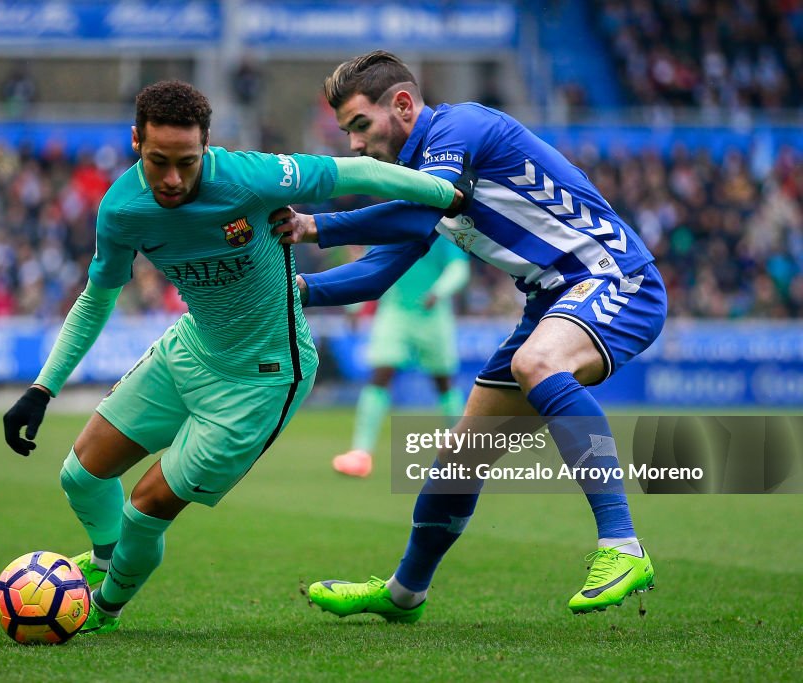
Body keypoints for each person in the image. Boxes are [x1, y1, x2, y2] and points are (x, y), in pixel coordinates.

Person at [2, 80, 472, 634]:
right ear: (135, 143)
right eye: (158, 162)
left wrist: (449, 196)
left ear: (208, 146)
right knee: (79, 476)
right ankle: (106, 563)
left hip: (263, 377)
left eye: (187, 162)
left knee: (144, 508)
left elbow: (362, 173)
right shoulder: (121, 210)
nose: (173, 178)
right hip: (193, 350)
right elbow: (96, 298)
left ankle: (101, 608)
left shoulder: (252, 176)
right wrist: (42, 388)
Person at [272, 51, 666, 618]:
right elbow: (376, 272)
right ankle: (406, 592)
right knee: (461, 455)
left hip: (614, 278)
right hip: (552, 302)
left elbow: (410, 216)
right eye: (347, 132)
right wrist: (294, 291)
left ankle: (623, 545)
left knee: (537, 365)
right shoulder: (424, 186)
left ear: (403, 106)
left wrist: (317, 225)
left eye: (360, 125)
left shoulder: (462, 128)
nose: (355, 145)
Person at [332, 234, 469, 477]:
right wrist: (353, 306)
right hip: (395, 310)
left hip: (433, 313)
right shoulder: (390, 228)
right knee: (380, 374)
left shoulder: (442, 231)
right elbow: (370, 266)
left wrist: (439, 291)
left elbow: (458, 268)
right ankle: (360, 453)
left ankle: (462, 452)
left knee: (443, 381)